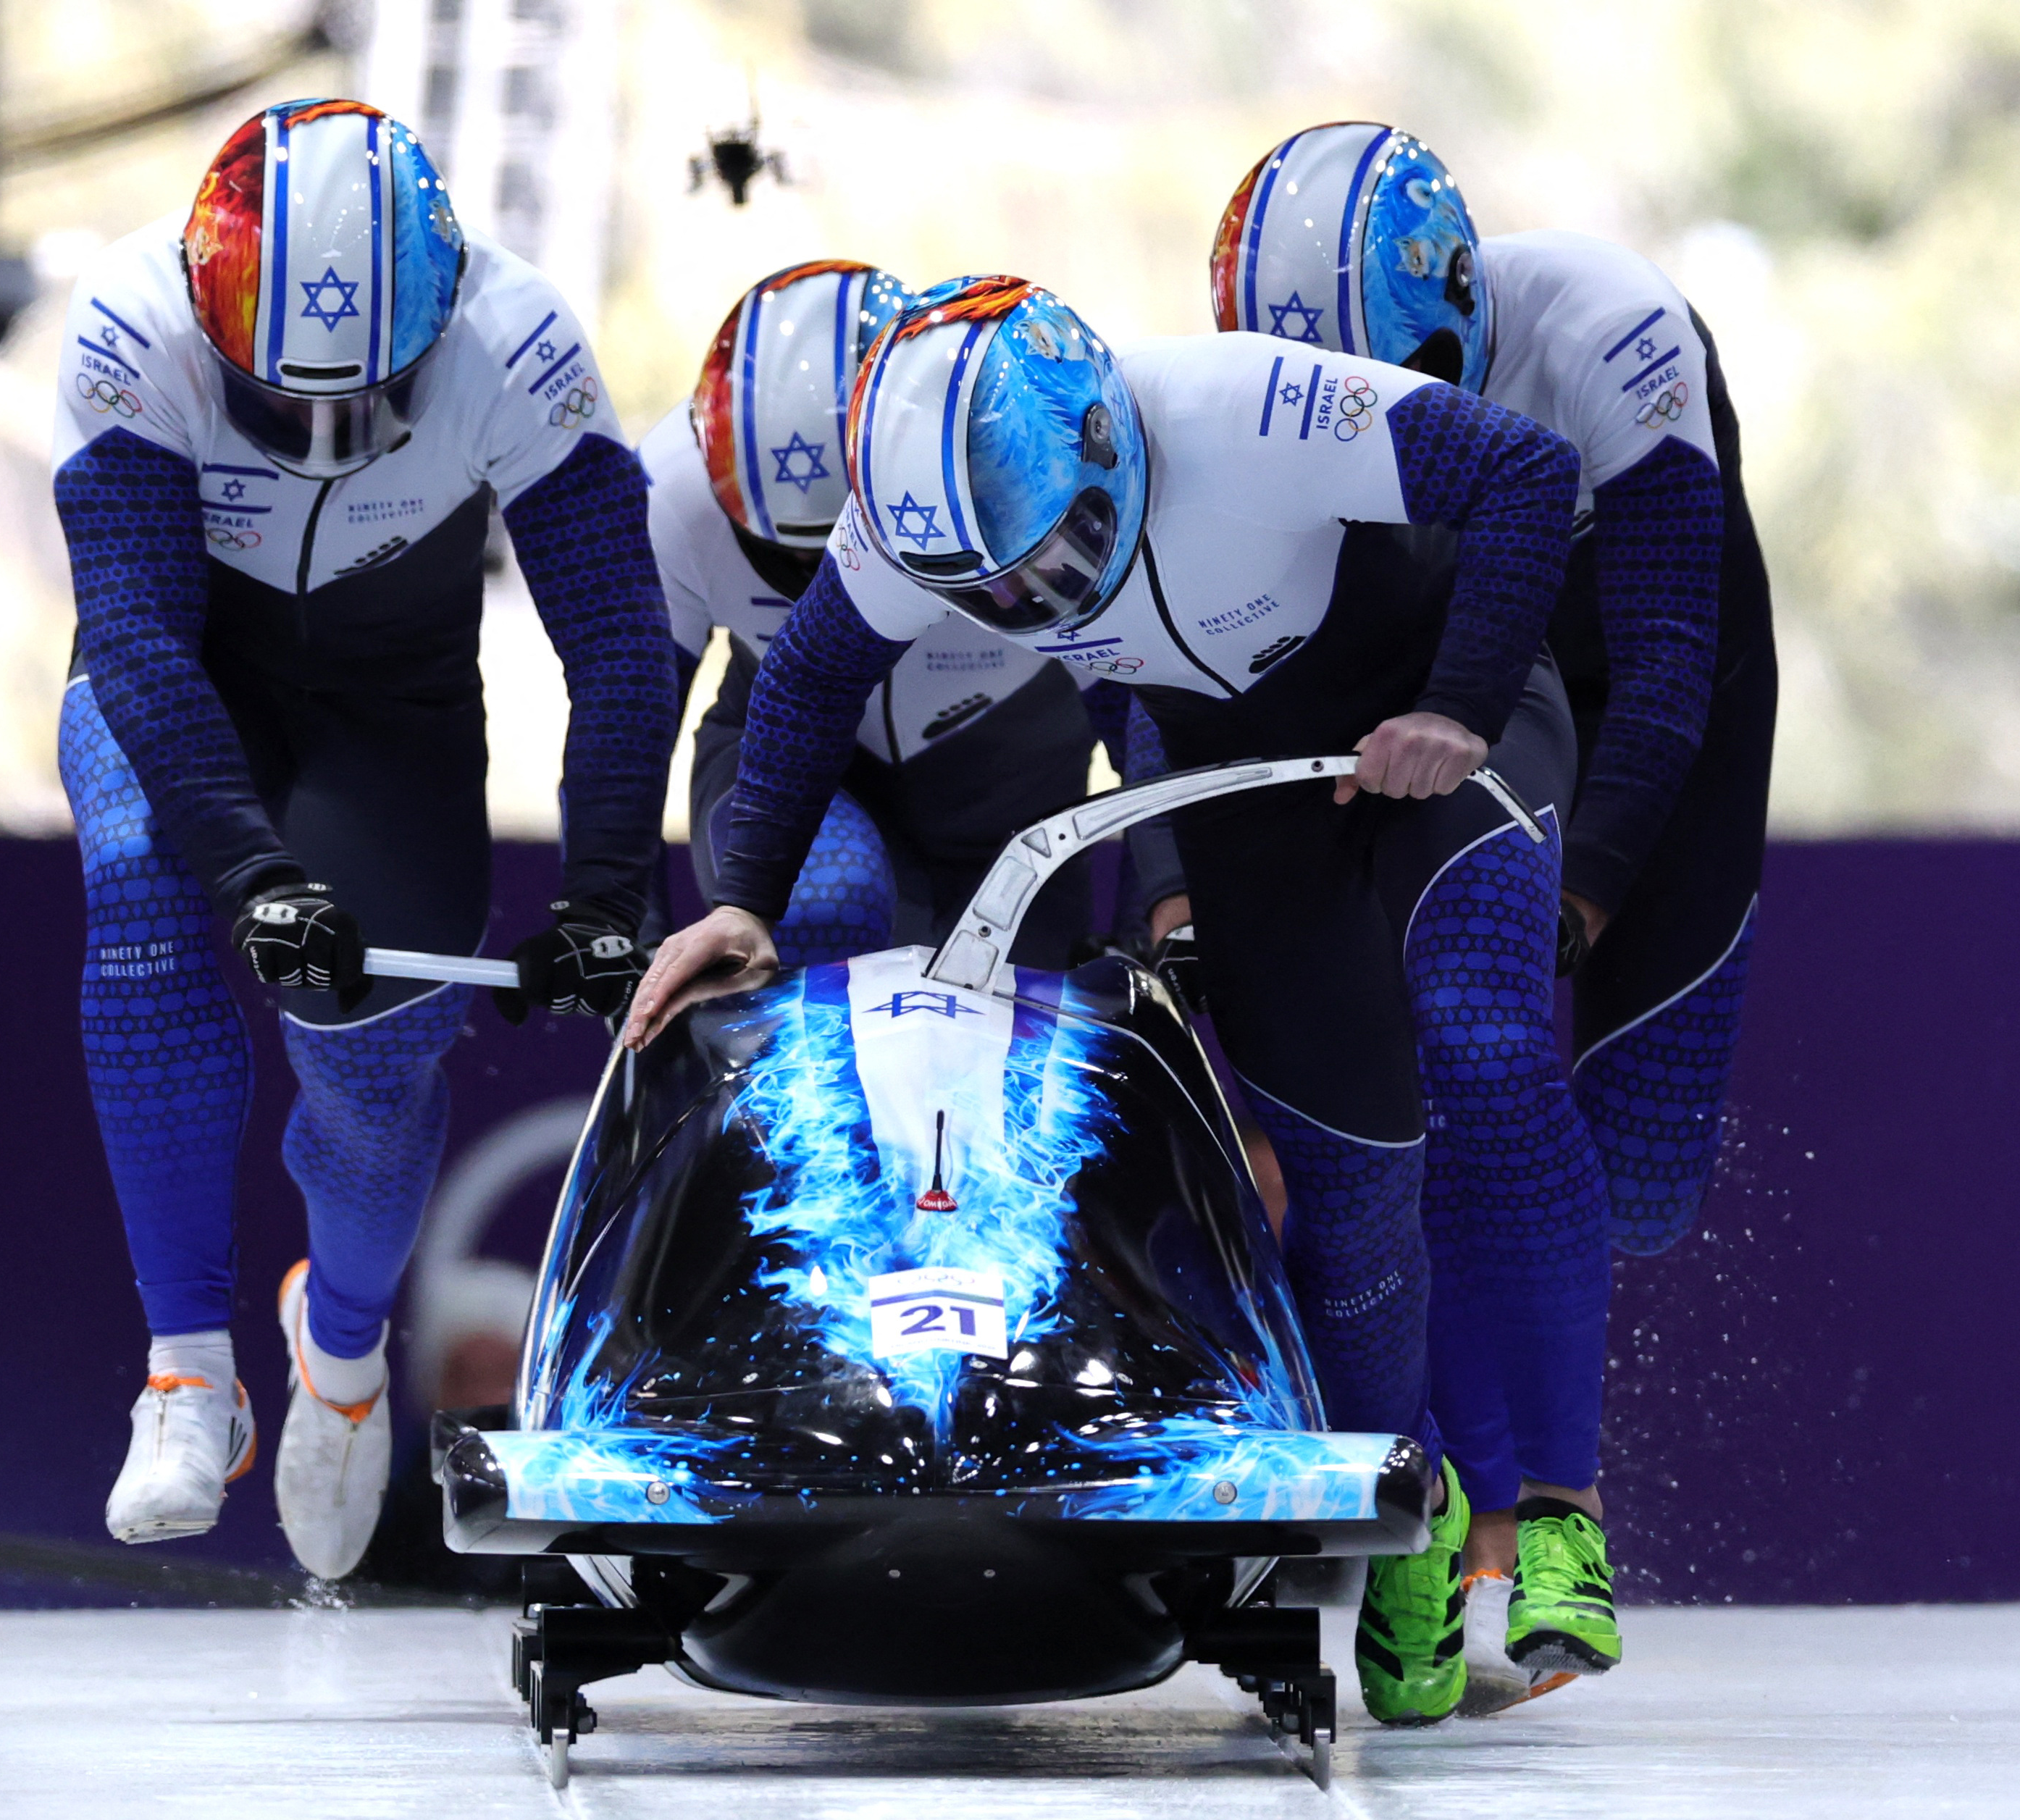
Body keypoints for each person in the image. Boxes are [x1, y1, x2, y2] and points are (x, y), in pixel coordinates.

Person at [623, 274, 1595, 1728]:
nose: (1037, 602)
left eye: (1058, 551)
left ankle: (1561, 1501)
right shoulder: (915, 530)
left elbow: (1524, 472)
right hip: (1253, 784)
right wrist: (743, 894)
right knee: (1347, 1176)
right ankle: (1420, 1502)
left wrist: (1453, 701)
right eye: (993, 593)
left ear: (1106, 445)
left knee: (1478, 1036)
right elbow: (811, 679)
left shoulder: (1245, 404)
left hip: (1439, 723)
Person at [51, 100, 676, 1579]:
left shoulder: (521, 341)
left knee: (372, 1047)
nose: (324, 436)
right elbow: (139, 642)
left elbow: (624, 648)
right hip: (191, 665)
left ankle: (335, 1352)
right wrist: (250, 871)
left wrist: (606, 891)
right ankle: (186, 1370)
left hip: (391, 706)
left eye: (367, 400)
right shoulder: (129, 326)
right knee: (146, 904)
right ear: (212, 329)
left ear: (440, 320)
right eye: (280, 403)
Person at [1213, 122, 1776, 1709]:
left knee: (1638, 1177)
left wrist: (1586, 893)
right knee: (1460, 1059)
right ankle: (1498, 1510)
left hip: (1650, 671)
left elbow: (1665, 671)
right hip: (1465, 672)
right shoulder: (1273, 390)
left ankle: (1508, 1475)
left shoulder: (1609, 328)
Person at [644, 261, 1105, 966]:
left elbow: (1146, 698)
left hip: (1010, 792)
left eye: (839, 542)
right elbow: (630, 720)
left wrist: (1165, 903)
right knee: (825, 900)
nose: (818, 578)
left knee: (998, 1046)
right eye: (778, 550)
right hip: (797, 769)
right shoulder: (670, 492)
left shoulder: (1026, 476)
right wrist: (620, 925)